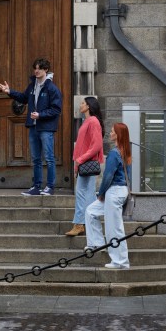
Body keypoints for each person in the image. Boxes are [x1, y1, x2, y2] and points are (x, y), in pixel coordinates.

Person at [0, 57, 62, 196]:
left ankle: (50, 187)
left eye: (39, 68)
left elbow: (56, 109)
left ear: (46, 70)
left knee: (49, 158)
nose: (36, 71)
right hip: (33, 127)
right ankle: (36, 187)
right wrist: (9, 92)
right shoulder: (32, 85)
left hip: (46, 128)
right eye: (35, 68)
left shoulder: (52, 88)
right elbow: (23, 98)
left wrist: (40, 115)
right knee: (36, 159)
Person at [84, 122, 131, 269]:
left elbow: (107, 176)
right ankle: (97, 244)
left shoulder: (114, 153)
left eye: (112, 132)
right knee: (91, 212)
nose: (110, 134)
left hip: (114, 191)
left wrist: (101, 193)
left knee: (114, 228)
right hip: (120, 191)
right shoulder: (124, 152)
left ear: (118, 135)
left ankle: (120, 262)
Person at [65, 97, 104, 236]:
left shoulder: (93, 121)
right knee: (86, 194)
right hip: (84, 163)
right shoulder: (87, 121)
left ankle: (80, 224)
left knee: (84, 194)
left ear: (88, 106)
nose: (80, 105)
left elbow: (97, 145)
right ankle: (88, 222)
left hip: (86, 163)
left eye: (82, 103)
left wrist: (80, 159)